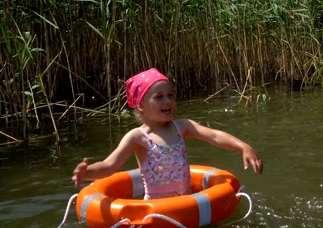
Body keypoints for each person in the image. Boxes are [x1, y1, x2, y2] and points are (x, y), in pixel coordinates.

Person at [72, 68, 263, 200]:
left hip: (187, 204)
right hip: (156, 210)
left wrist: (243, 147)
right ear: (140, 106)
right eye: (159, 97)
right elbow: (109, 166)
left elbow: (214, 136)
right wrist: (86, 173)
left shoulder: (183, 127)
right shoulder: (137, 137)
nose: (168, 101)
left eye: (170, 95)